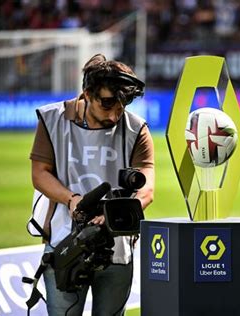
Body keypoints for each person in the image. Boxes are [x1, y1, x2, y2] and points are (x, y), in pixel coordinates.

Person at [29, 53, 155, 315]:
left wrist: (114, 215)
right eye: (107, 103)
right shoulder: (52, 120)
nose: (114, 114)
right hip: (65, 241)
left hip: (117, 246)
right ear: (87, 93)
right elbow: (40, 173)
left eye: (121, 105)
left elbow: (147, 187)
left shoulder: (137, 128)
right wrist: (72, 199)